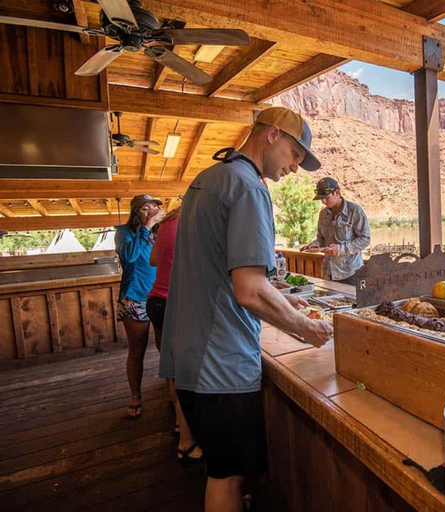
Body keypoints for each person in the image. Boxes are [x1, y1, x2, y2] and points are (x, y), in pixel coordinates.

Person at [159, 106, 333, 512]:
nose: (295, 166)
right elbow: (249, 292)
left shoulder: (209, 179)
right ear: (272, 135)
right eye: (294, 154)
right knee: (226, 476)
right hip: (220, 366)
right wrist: (304, 330)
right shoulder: (250, 188)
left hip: (189, 356)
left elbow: (220, 273)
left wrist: (283, 298)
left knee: (221, 469)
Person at [146, 207, 203, 464]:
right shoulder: (192, 224)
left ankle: (180, 425)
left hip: (156, 301)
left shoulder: (166, 225)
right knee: (187, 373)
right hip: (177, 302)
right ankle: (187, 442)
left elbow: (154, 260)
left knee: (172, 366)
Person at [115, 194, 164, 419]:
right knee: (137, 350)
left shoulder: (159, 233)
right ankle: (135, 395)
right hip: (135, 298)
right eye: (146, 208)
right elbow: (129, 256)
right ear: (137, 213)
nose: (152, 211)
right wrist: (146, 227)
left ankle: (171, 392)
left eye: (154, 207)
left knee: (167, 348)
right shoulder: (125, 232)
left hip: (160, 296)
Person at [300, 177, 370, 284]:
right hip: (328, 273)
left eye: (326, 198)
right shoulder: (323, 214)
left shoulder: (355, 211)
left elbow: (365, 239)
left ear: (337, 192)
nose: (323, 202)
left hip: (351, 273)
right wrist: (316, 244)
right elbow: (321, 238)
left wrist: (340, 249)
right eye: (321, 199)